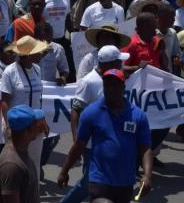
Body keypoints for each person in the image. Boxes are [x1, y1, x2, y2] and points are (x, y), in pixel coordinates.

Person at [58, 69, 153, 203]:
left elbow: (145, 148)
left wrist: (148, 176)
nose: (110, 89)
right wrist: (64, 170)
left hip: (125, 183)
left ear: (123, 87)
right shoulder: (91, 113)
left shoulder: (138, 115)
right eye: (107, 85)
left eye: (115, 85)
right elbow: (79, 145)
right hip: (99, 180)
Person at [59, 45, 127, 203]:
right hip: (91, 144)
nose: (121, 65)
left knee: (99, 183)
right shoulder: (89, 82)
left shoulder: (115, 79)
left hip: (108, 143)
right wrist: (77, 140)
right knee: (88, 183)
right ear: (109, 64)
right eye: (119, 62)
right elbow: (76, 110)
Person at [0, 35, 46, 183]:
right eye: (37, 51)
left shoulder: (38, 69)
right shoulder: (10, 72)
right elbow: (5, 102)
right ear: (27, 55)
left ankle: (32, 195)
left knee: (34, 164)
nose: (41, 53)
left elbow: (39, 99)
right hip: (17, 126)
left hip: (36, 126)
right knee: (16, 163)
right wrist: (8, 127)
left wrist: (43, 120)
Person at [0, 105, 46, 203]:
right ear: (28, 130)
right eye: (35, 123)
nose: (39, 126)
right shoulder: (11, 165)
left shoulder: (20, 152)